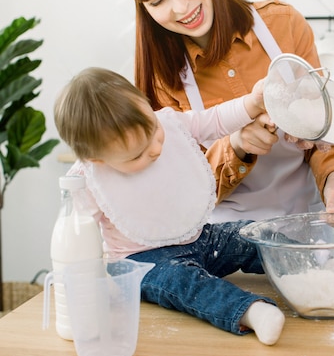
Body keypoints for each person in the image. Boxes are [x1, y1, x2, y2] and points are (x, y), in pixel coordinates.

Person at [97, 0, 334, 223]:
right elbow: (180, 187)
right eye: (158, 0)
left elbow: (323, 131)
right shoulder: (162, 79)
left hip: (304, 222)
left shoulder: (283, 25)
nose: (181, 7)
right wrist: (237, 146)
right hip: (221, 239)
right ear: (145, 12)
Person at [53, 67, 284, 345]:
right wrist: (78, 289)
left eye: (153, 130)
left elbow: (217, 120)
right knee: (188, 284)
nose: (155, 148)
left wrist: (253, 103)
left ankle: (311, 267)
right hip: (145, 263)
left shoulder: (171, 122)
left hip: (202, 239)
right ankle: (251, 311)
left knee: (251, 235)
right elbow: (77, 245)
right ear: (98, 159)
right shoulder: (88, 180)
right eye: (137, 154)